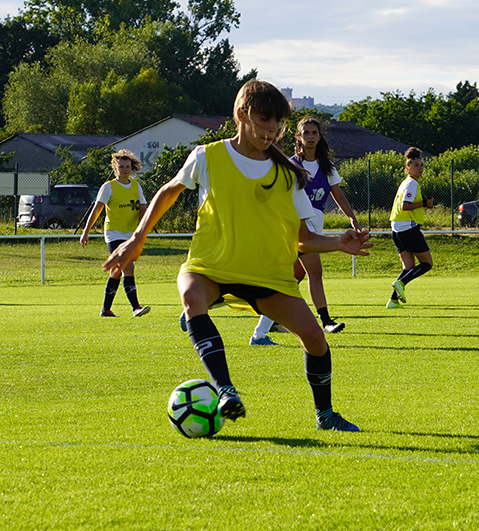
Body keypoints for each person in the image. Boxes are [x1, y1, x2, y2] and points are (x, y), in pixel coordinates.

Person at [104, 79, 373, 432]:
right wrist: (137, 239)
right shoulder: (208, 156)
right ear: (241, 114)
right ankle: (225, 388)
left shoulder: (290, 174)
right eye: (264, 119)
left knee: (316, 340)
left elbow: (303, 238)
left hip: (267, 276)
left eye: (277, 122)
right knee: (190, 296)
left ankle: (325, 416)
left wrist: (337, 242)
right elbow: (168, 192)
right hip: (211, 266)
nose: (272, 129)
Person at [250, 116, 360, 344]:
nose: (310, 137)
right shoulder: (290, 165)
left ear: (319, 137)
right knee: (315, 272)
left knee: (291, 278)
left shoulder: (326, 167)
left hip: (314, 228)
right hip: (296, 227)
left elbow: (338, 195)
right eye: (305, 132)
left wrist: (352, 218)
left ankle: (262, 330)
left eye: (314, 133)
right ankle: (326, 321)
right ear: (298, 137)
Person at [80, 149, 150, 318]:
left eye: (127, 166)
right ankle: (136, 307)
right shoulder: (108, 187)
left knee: (117, 271)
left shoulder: (136, 186)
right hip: (114, 233)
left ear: (132, 168)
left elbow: (143, 209)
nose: (124, 169)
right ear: (115, 168)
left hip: (131, 235)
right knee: (128, 266)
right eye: (121, 166)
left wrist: (142, 227)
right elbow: (96, 211)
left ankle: (106, 309)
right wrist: (86, 232)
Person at [386, 147, 434, 307]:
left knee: (408, 266)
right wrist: (425, 204)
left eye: (422, 165)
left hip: (396, 229)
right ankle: (401, 283)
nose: (420, 168)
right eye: (416, 165)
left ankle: (393, 300)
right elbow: (406, 206)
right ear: (408, 168)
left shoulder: (405, 183)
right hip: (408, 229)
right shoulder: (412, 183)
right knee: (427, 264)